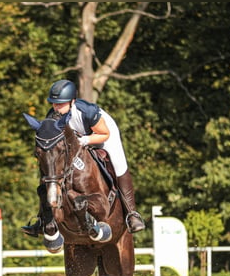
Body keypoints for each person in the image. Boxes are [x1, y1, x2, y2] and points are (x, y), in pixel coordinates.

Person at [22, 79, 145, 236]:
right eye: (54, 103)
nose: (56, 107)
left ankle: (132, 214)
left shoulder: (87, 112)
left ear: (72, 101)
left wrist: (86, 140)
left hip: (100, 134)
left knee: (118, 164)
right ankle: (42, 219)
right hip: (76, 142)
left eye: (61, 104)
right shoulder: (52, 116)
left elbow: (104, 134)